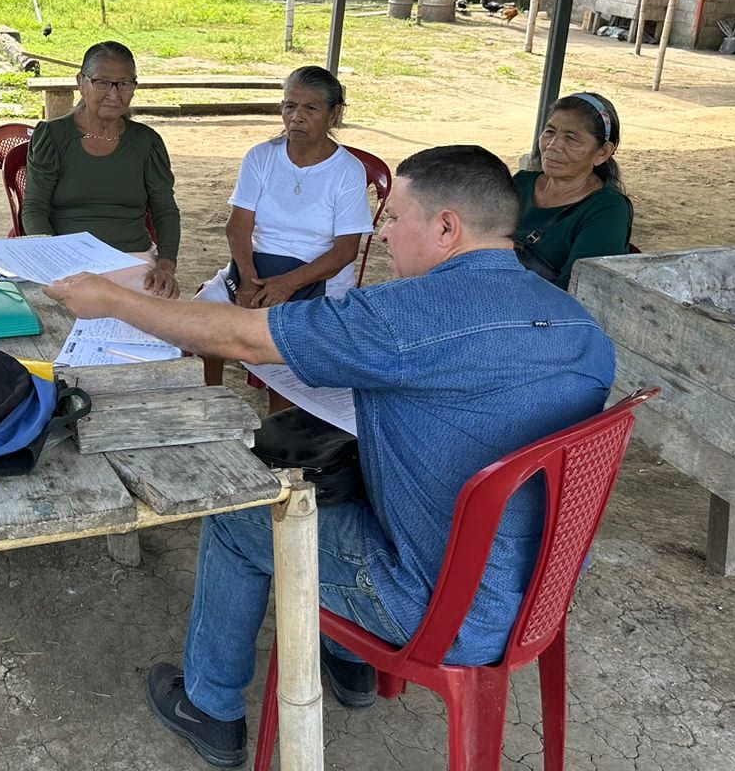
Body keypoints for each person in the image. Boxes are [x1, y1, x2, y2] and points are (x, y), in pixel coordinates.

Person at [45, 146, 614, 768]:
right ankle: (351, 665)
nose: (382, 233)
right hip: (539, 596)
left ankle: (210, 708)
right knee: (346, 474)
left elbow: (240, 337)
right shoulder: (580, 324)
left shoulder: (408, 316)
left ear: (446, 227)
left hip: (438, 609)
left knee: (238, 517)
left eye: (394, 217)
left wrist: (112, 299)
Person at [195, 66, 372, 311]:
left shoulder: (348, 170)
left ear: (334, 114)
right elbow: (238, 227)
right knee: (191, 320)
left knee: (282, 330)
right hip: (256, 270)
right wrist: (247, 279)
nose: (296, 117)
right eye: (290, 106)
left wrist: (287, 284)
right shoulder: (260, 157)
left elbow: (345, 251)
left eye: (310, 108)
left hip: (319, 279)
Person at [22, 40, 181, 297]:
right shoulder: (52, 137)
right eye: (102, 82)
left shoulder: (147, 142)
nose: (114, 94)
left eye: (124, 83)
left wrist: (165, 265)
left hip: (133, 259)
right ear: (81, 82)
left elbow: (166, 210)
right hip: (67, 262)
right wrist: (54, 259)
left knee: (153, 314)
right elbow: (34, 208)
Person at [514, 91, 633, 290]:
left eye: (571, 138)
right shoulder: (521, 183)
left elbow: (579, 289)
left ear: (602, 152)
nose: (553, 145)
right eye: (550, 132)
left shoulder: (607, 210)